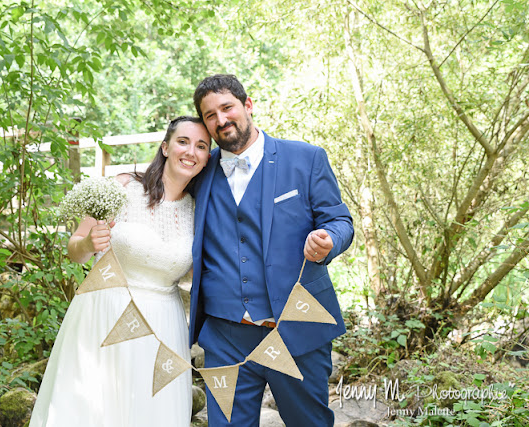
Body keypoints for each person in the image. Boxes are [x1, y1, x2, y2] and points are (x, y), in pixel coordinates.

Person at [188, 74, 354, 426]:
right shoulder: (199, 172)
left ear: (247, 106)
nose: (221, 120)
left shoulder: (305, 158)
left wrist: (327, 240)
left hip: (297, 327)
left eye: (227, 107)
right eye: (209, 115)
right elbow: (160, 189)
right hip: (225, 337)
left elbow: (341, 221)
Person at [30, 116, 211, 427]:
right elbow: (75, 249)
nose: (190, 151)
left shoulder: (198, 209)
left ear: (208, 157)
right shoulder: (124, 186)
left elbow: (197, 273)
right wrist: (88, 241)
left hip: (164, 325)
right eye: (183, 141)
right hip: (105, 313)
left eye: (201, 146)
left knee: (152, 412)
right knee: (95, 410)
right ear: (165, 147)